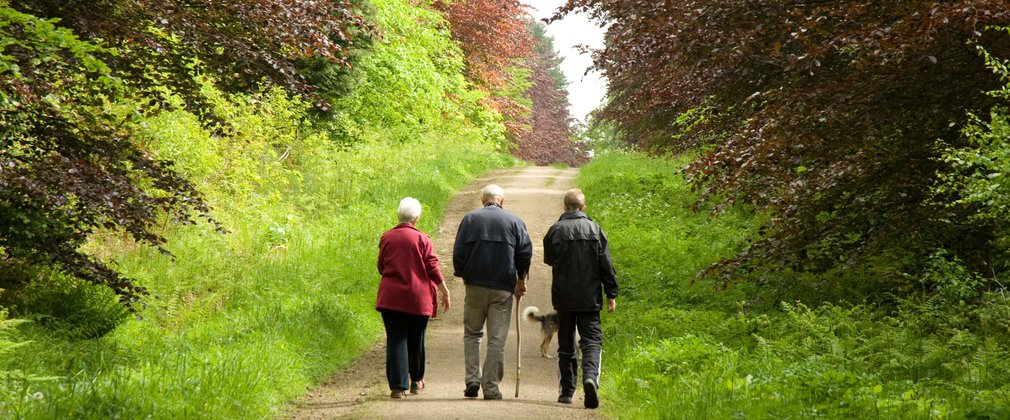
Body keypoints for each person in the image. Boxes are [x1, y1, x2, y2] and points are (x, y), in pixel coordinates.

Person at [452, 184, 533, 400]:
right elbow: (525, 254)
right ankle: (490, 387)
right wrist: (521, 280)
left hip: (475, 285)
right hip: (503, 288)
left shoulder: (470, 219)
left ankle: (472, 380)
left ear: (482, 200)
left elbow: (458, 252)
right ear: (502, 201)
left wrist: (463, 275)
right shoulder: (515, 221)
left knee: (472, 333)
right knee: (496, 338)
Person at [543, 188, 618, 409]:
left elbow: (549, 259)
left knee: (565, 343)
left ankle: (566, 392)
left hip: (564, 298)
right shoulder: (595, 230)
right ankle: (590, 378)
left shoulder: (555, 231)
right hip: (589, 297)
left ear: (565, 207)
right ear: (583, 207)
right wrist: (611, 293)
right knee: (592, 341)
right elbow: (606, 265)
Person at [376, 197, 451, 399]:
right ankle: (416, 381)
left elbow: (381, 266)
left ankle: (398, 387)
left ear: (398, 215)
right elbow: (432, 267)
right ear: (416, 218)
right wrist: (444, 289)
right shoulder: (423, 239)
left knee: (396, 339)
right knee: (416, 339)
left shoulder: (387, 237)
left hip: (391, 298)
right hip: (418, 299)